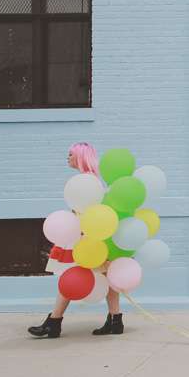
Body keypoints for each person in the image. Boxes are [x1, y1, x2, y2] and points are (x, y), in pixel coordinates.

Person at [27, 142, 125, 339]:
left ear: (81, 157)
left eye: (71, 154)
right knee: (105, 277)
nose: (68, 157)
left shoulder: (85, 181)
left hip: (84, 238)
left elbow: (87, 214)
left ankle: (54, 322)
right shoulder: (93, 180)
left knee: (70, 277)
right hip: (92, 237)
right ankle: (115, 321)